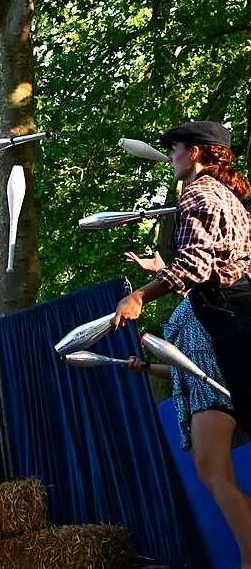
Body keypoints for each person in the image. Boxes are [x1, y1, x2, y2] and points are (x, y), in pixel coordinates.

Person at [114, 121, 251, 441]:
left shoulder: (197, 194)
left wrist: (139, 297)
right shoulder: (230, 198)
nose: (171, 157)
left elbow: (195, 265)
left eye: (175, 150)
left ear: (193, 153)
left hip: (232, 319)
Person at [125, 252, 251, 567]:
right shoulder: (189, 303)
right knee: (214, 475)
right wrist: (148, 368)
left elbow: (192, 277)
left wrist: (161, 271)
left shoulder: (207, 295)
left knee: (212, 471)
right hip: (197, 387)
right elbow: (181, 370)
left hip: (214, 381)